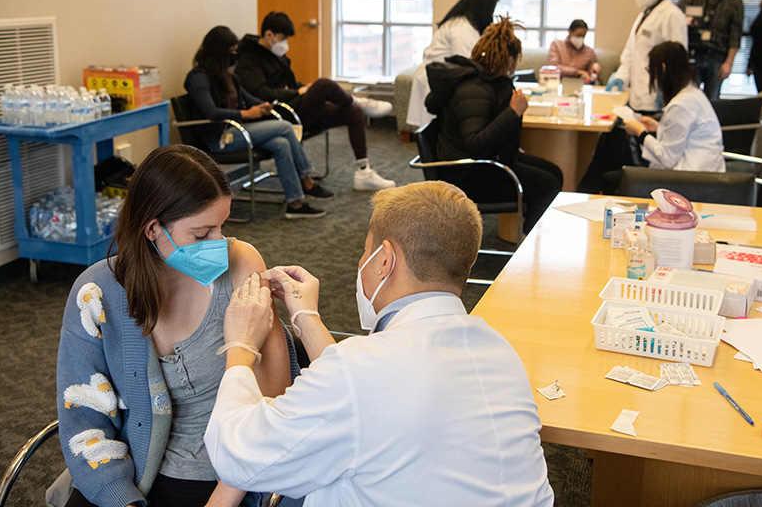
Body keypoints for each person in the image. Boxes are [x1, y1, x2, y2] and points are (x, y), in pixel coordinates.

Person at [204, 181, 555, 506]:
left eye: (365, 251)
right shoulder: (499, 350)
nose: (362, 263)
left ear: (385, 260)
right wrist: (306, 317)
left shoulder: (359, 370)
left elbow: (236, 455)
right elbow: (371, 395)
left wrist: (241, 345)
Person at [55, 145, 297, 507]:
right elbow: (85, 422)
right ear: (153, 229)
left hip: (233, 473)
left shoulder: (240, 264)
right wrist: (123, 499)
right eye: (201, 235)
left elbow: (275, 399)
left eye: (222, 226)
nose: (218, 244)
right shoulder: (96, 295)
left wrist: (225, 497)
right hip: (142, 471)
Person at [424, 16, 563, 233]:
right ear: (508, 59)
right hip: (468, 174)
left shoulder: (484, 82)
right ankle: (530, 242)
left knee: (554, 173)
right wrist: (513, 112)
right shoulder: (473, 89)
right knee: (548, 185)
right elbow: (475, 144)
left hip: (481, 164)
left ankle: (531, 236)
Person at [236, 11, 396, 192]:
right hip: (280, 116)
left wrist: (302, 88)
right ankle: (358, 101)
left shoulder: (277, 56)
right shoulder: (249, 61)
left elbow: (291, 83)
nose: (285, 43)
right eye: (283, 38)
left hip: (295, 108)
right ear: (269, 35)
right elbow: (261, 94)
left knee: (353, 112)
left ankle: (364, 172)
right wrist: (299, 91)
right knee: (324, 85)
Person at [185, 26, 328, 219]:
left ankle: (295, 203)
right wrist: (247, 113)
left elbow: (249, 98)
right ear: (221, 51)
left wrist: (263, 106)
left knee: (281, 143)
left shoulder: (228, 76)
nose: (235, 55)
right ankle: (306, 179)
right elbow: (211, 111)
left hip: (237, 131)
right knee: (285, 127)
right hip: (219, 137)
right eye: (232, 51)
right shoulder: (199, 78)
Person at [578, 42, 724, 194]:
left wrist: (641, 133)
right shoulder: (692, 94)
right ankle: (585, 189)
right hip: (702, 171)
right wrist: (659, 127)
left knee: (611, 162)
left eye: (650, 70)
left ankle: (584, 190)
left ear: (662, 69)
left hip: (689, 179)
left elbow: (667, 158)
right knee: (613, 145)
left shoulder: (680, 105)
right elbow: (682, 137)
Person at [406, 0, 500, 128]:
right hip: (437, 78)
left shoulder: (463, 23)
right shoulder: (462, 28)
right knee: (433, 130)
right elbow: (469, 62)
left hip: (440, 76)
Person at [605, 0, 688, 113]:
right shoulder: (644, 15)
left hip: (658, 95)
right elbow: (630, 52)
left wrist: (666, 91)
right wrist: (621, 77)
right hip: (638, 95)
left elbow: (677, 59)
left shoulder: (673, 16)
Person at [677, 0, 745, 99]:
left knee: (711, 102)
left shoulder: (735, 2)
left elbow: (735, 36)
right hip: (693, 54)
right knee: (687, 98)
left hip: (717, 57)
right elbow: (678, 13)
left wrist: (729, 63)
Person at [546, 18, 601, 83]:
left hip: (580, 86)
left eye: (583, 36)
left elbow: (591, 76)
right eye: (578, 35)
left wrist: (594, 70)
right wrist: (577, 72)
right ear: (569, 31)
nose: (581, 38)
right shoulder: (556, 45)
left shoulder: (589, 52)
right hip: (558, 84)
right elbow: (553, 67)